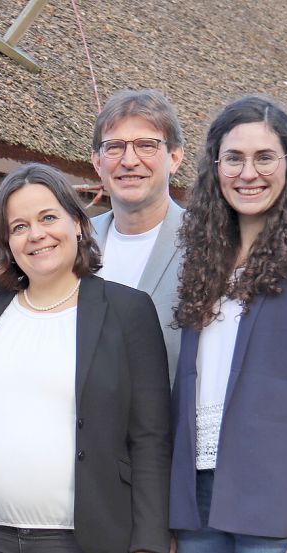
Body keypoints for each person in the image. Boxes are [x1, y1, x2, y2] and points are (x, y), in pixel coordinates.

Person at [0, 163, 172, 553]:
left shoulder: (128, 312)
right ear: (7, 243)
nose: (36, 234)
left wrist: (149, 545)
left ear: (77, 222)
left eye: (48, 218)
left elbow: (150, 440)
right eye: (19, 226)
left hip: (78, 541)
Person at [169, 95, 287, 553]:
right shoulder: (200, 263)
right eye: (233, 158)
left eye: (264, 157)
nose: (248, 173)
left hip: (283, 508)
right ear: (215, 168)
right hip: (198, 506)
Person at [91, 89, 185, 385]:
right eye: (115, 147)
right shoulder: (74, 242)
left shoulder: (208, 244)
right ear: (97, 162)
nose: (129, 161)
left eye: (146, 145)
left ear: (175, 158)